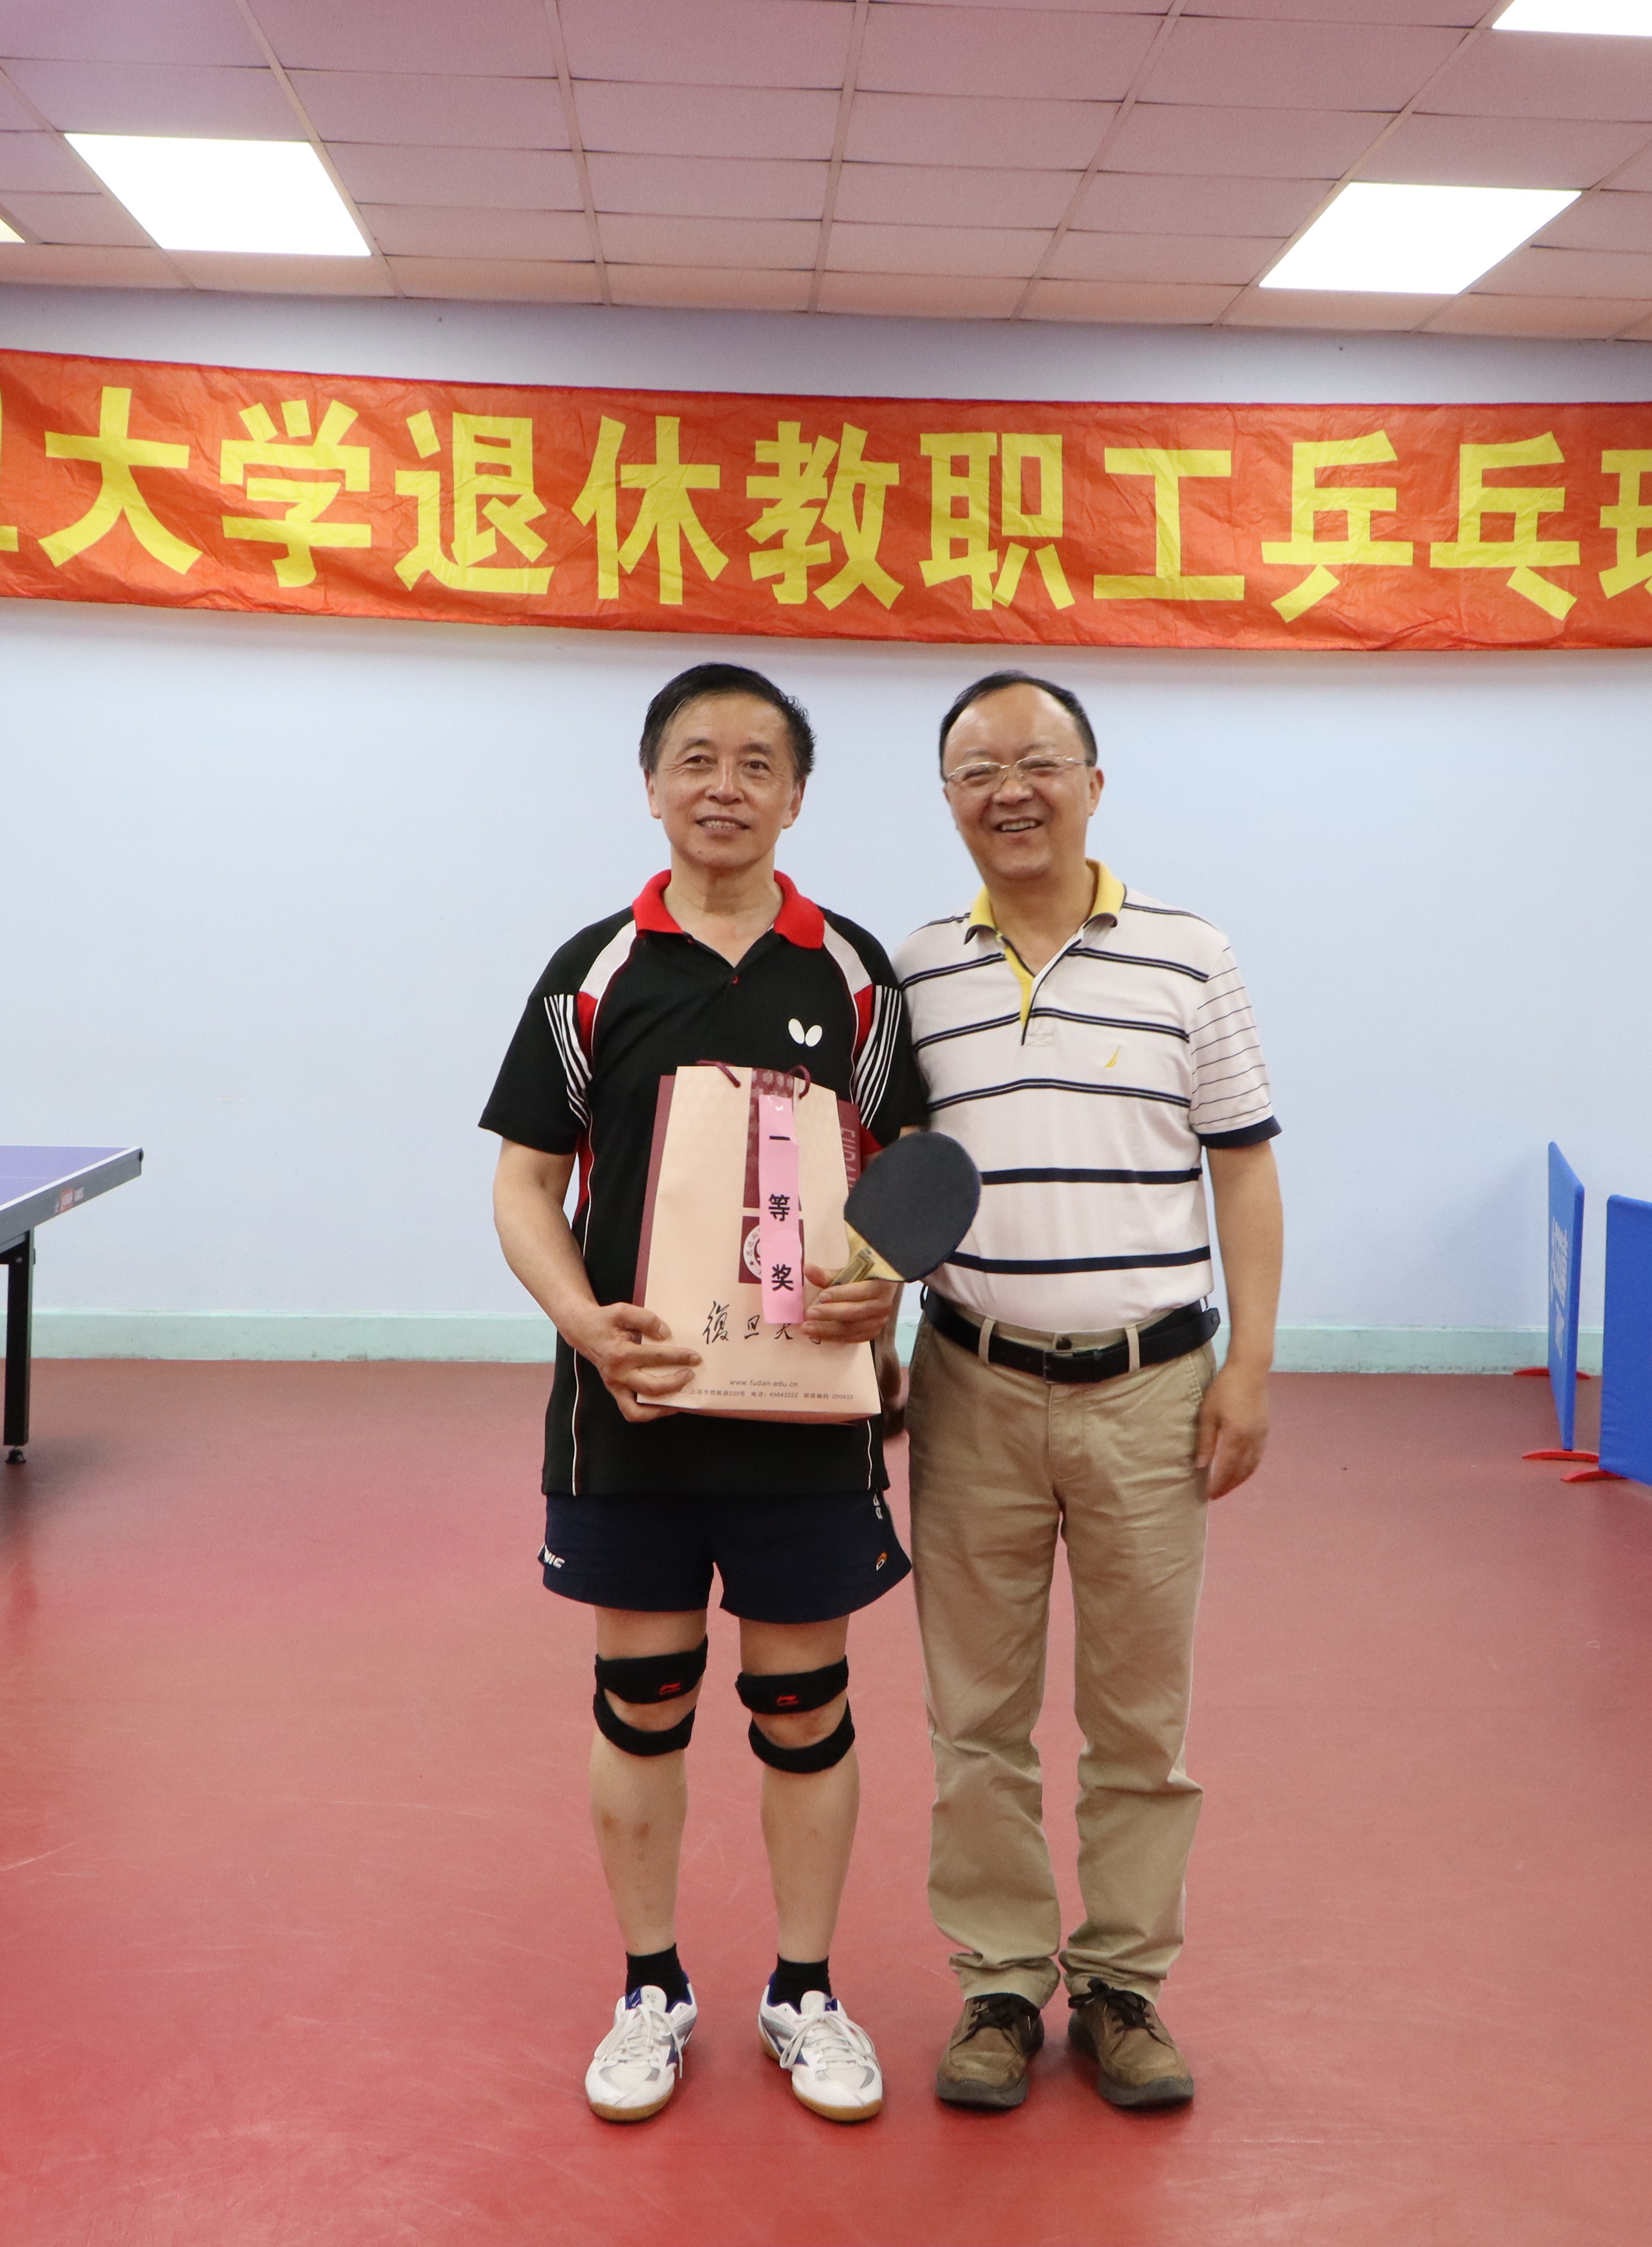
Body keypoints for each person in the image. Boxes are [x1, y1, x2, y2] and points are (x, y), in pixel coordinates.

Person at [481, 662, 928, 2127]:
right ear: (652, 783)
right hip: (637, 1408)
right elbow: (525, 1185)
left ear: (796, 795)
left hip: (807, 1417)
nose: (723, 785)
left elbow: (907, 1179)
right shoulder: (594, 970)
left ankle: (805, 1990)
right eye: (695, 757)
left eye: (755, 763)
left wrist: (883, 1284)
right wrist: (584, 1326)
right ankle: (649, 1989)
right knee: (644, 1698)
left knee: (804, 1705)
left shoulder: (854, 973)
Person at [892, 671, 1285, 2113]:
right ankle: (1000, 1980)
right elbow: (884, 1190)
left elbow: (1243, 1163)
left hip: (1151, 1390)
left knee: (1138, 1715)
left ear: (1094, 784)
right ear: (949, 799)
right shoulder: (915, 972)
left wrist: (1250, 1363)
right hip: (970, 1383)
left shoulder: (1190, 955)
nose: (1011, 790)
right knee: (974, 1714)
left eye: (1039, 761)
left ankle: (1122, 1982)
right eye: (978, 769)